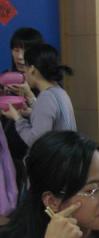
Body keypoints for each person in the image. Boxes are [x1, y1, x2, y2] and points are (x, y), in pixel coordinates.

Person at [0, 44, 76, 147]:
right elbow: (51, 118)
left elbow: (35, 141)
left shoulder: (46, 97)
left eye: (25, 68)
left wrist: (17, 118)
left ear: (32, 69)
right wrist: (31, 112)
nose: (24, 74)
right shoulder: (59, 91)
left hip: (55, 160)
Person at [2, 27, 44, 184]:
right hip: (7, 153)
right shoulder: (4, 78)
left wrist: (29, 94)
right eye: (16, 50)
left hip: (34, 155)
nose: (20, 57)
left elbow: (48, 118)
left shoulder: (45, 84)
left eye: (25, 51)